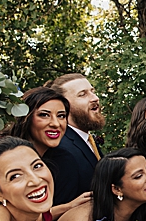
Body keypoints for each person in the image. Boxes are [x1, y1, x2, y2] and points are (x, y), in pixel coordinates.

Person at [44, 73, 107, 206]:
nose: (95, 98)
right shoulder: (62, 150)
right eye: (83, 94)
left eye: (92, 91)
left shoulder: (88, 141)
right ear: (63, 106)